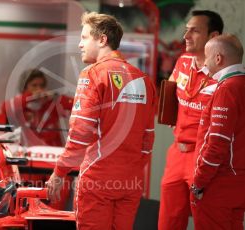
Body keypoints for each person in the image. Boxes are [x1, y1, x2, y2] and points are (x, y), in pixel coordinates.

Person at [46, 12, 156, 230]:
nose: (79, 44)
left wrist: (59, 172)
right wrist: (130, 169)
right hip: (131, 180)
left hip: (98, 177)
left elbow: (81, 131)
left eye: (85, 37)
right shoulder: (144, 80)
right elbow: (148, 136)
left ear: (102, 39)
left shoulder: (93, 74)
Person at [158, 10, 224, 230]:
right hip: (177, 152)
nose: (186, 35)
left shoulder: (223, 74)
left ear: (213, 36)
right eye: (186, 29)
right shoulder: (183, 61)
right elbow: (169, 94)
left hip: (205, 156)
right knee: (168, 222)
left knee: (207, 222)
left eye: (195, 31)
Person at [190, 34, 245, 230]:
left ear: (218, 58)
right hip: (239, 184)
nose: (204, 62)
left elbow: (217, 143)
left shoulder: (227, 89)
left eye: (206, 57)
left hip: (218, 184)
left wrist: (198, 182)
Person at [2, 69, 73, 147]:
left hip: (51, 153)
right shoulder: (19, 104)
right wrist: (30, 97)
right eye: (34, 85)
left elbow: (76, 106)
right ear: (24, 87)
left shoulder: (51, 104)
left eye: (42, 86)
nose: (39, 89)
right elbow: (5, 108)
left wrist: (56, 97)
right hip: (26, 151)